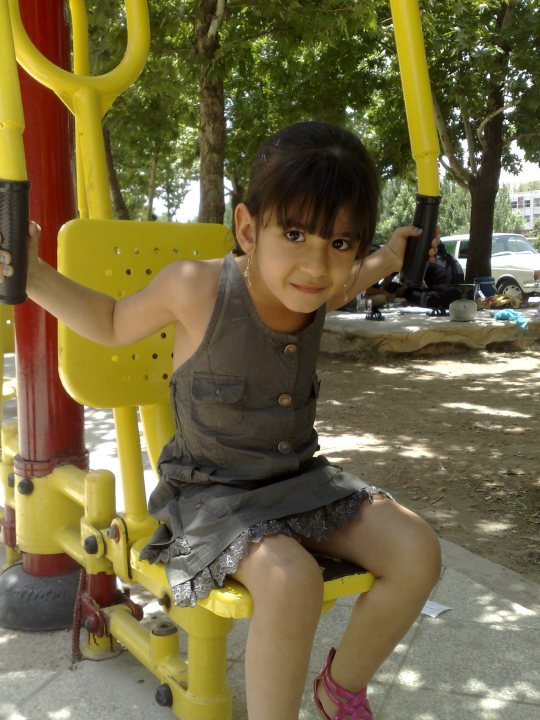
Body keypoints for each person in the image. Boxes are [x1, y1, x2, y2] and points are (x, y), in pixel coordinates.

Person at [1, 121, 441, 720]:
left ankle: (340, 690)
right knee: (292, 581)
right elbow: (109, 322)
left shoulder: (319, 288)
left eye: (340, 243)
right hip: (212, 496)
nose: (316, 265)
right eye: (295, 233)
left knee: (417, 549)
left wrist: (390, 255)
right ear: (248, 229)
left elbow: (348, 280)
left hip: (299, 480)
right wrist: (34, 275)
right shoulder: (197, 287)